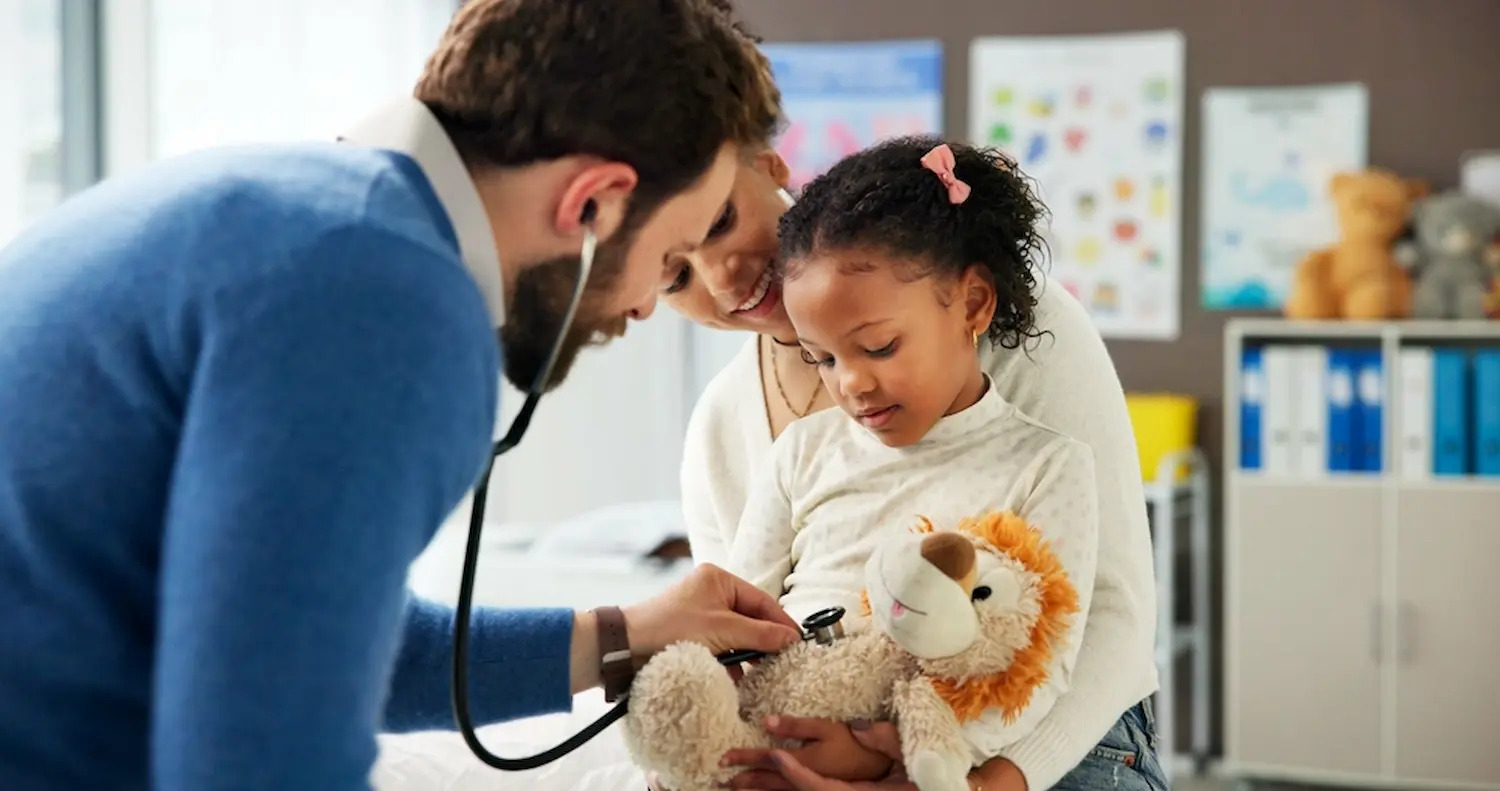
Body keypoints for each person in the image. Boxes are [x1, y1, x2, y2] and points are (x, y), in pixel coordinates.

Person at [0, 2, 804, 790]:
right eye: (667, 260)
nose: (640, 309)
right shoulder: (390, 296)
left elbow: (317, 648)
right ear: (591, 202)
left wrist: (624, 636)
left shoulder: (304, 212)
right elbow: (263, 758)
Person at [663, 29, 1161, 791]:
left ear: (768, 165)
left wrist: (980, 778)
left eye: (720, 223)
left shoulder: (1017, 333)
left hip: (1040, 735)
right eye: (672, 273)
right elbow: (735, 633)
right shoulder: (724, 427)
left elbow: (1114, 622)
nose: (720, 276)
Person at [723, 136, 1105, 786]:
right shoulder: (803, 451)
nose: (850, 383)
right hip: (780, 735)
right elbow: (738, 613)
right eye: (823, 358)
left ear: (974, 304)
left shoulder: (1047, 466)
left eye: (878, 346)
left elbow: (1043, 666)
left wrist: (888, 752)